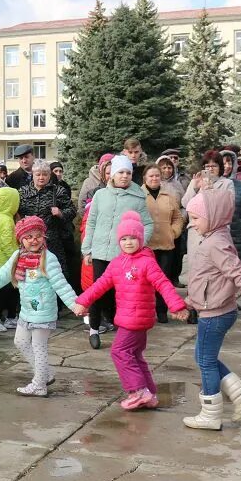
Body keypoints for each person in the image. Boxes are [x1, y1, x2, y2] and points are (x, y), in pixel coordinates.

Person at [178, 188, 241, 430]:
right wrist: (190, 300)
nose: (192, 224)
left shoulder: (216, 243)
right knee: (205, 358)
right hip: (212, 308)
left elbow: (240, 273)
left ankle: (210, 413)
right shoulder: (215, 236)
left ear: (213, 216)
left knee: (205, 361)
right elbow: (207, 278)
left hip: (216, 313)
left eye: (196, 219)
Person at [73, 211, 187, 409]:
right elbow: (100, 284)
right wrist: (83, 301)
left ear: (141, 239)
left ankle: (138, 390)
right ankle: (149, 392)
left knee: (119, 352)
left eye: (133, 238)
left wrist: (176, 305)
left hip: (136, 318)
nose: (128, 242)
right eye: (124, 239)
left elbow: (163, 284)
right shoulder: (118, 263)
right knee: (134, 355)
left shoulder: (146, 261)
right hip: (127, 317)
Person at [0, 217, 78, 397]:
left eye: (38, 236)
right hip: (26, 311)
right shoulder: (18, 257)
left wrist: (76, 305)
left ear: (44, 237)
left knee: (38, 346)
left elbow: (61, 285)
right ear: (21, 239)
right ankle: (45, 374)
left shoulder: (48, 259)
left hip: (43, 313)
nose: (34, 240)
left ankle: (39, 385)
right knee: (20, 341)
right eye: (28, 237)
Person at [81, 155, 154, 349]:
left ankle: (122, 328)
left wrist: (139, 243)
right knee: (96, 291)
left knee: (120, 293)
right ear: (112, 174)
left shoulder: (137, 196)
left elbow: (147, 224)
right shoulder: (100, 195)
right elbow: (92, 222)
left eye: (128, 173)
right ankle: (94, 328)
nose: (124, 176)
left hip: (122, 255)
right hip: (98, 251)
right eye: (121, 172)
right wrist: (87, 249)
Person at [141, 165, 184, 323]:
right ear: (145, 178)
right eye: (151, 176)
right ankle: (146, 310)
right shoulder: (139, 195)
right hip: (146, 246)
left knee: (163, 280)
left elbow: (178, 217)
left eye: (157, 176)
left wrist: (174, 232)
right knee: (145, 282)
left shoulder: (169, 195)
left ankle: (162, 310)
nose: (154, 178)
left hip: (166, 245)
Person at [17, 159, 76, 274]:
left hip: (52, 241)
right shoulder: (23, 192)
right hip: (29, 242)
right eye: (38, 174)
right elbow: (14, 211)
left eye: (45, 174)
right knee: (31, 274)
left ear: (49, 175)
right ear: (32, 175)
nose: (41, 177)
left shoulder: (58, 191)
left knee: (55, 273)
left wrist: (60, 213)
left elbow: (72, 210)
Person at [0, 186, 21, 331]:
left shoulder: (2, 216)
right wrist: (16, 258)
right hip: (6, 261)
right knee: (2, 292)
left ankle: (11, 317)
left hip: (5, 260)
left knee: (11, 290)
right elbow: (7, 242)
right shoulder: (6, 220)